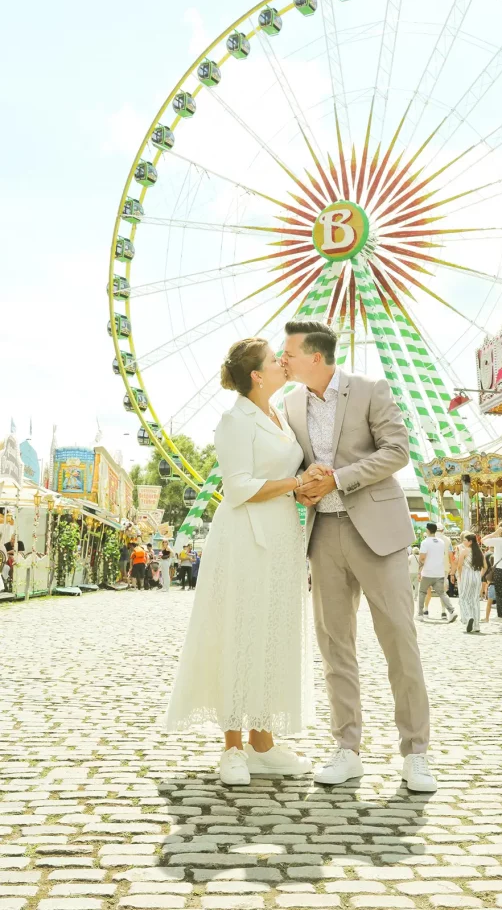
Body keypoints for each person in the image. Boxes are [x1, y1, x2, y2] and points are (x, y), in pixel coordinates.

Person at [282, 319, 436, 793]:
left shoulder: (371, 389)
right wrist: (304, 486)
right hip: (323, 533)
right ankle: (347, 748)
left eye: (288, 352)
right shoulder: (288, 404)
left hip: (379, 531)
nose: (281, 359)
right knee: (334, 647)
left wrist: (340, 478)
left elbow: (398, 451)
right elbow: (296, 466)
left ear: (316, 356)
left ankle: (416, 753)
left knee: (399, 642)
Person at [165, 337, 320, 786]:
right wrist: (295, 482)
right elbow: (236, 487)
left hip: (282, 537)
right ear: (256, 375)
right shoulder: (235, 420)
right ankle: (232, 746)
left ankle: (263, 742)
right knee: (239, 628)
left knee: (273, 633)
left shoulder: (281, 415)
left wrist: (308, 483)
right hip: (243, 538)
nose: (282, 364)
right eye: (275, 360)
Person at [418, 524, 458, 623]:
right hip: (439, 572)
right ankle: (451, 611)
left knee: (422, 592)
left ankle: (420, 614)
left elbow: (422, 558)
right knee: (442, 593)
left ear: (427, 530)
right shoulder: (441, 542)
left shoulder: (425, 542)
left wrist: (420, 571)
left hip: (428, 572)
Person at [456, 532, 485, 633]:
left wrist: (459, 576)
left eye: (465, 540)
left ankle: (468, 617)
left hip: (467, 575)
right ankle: (477, 625)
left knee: (463, 598)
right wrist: (479, 575)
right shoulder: (480, 552)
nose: (463, 542)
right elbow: (485, 566)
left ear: (470, 542)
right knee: (475, 600)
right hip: (477, 576)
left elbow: (459, 566)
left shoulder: (464, 551)